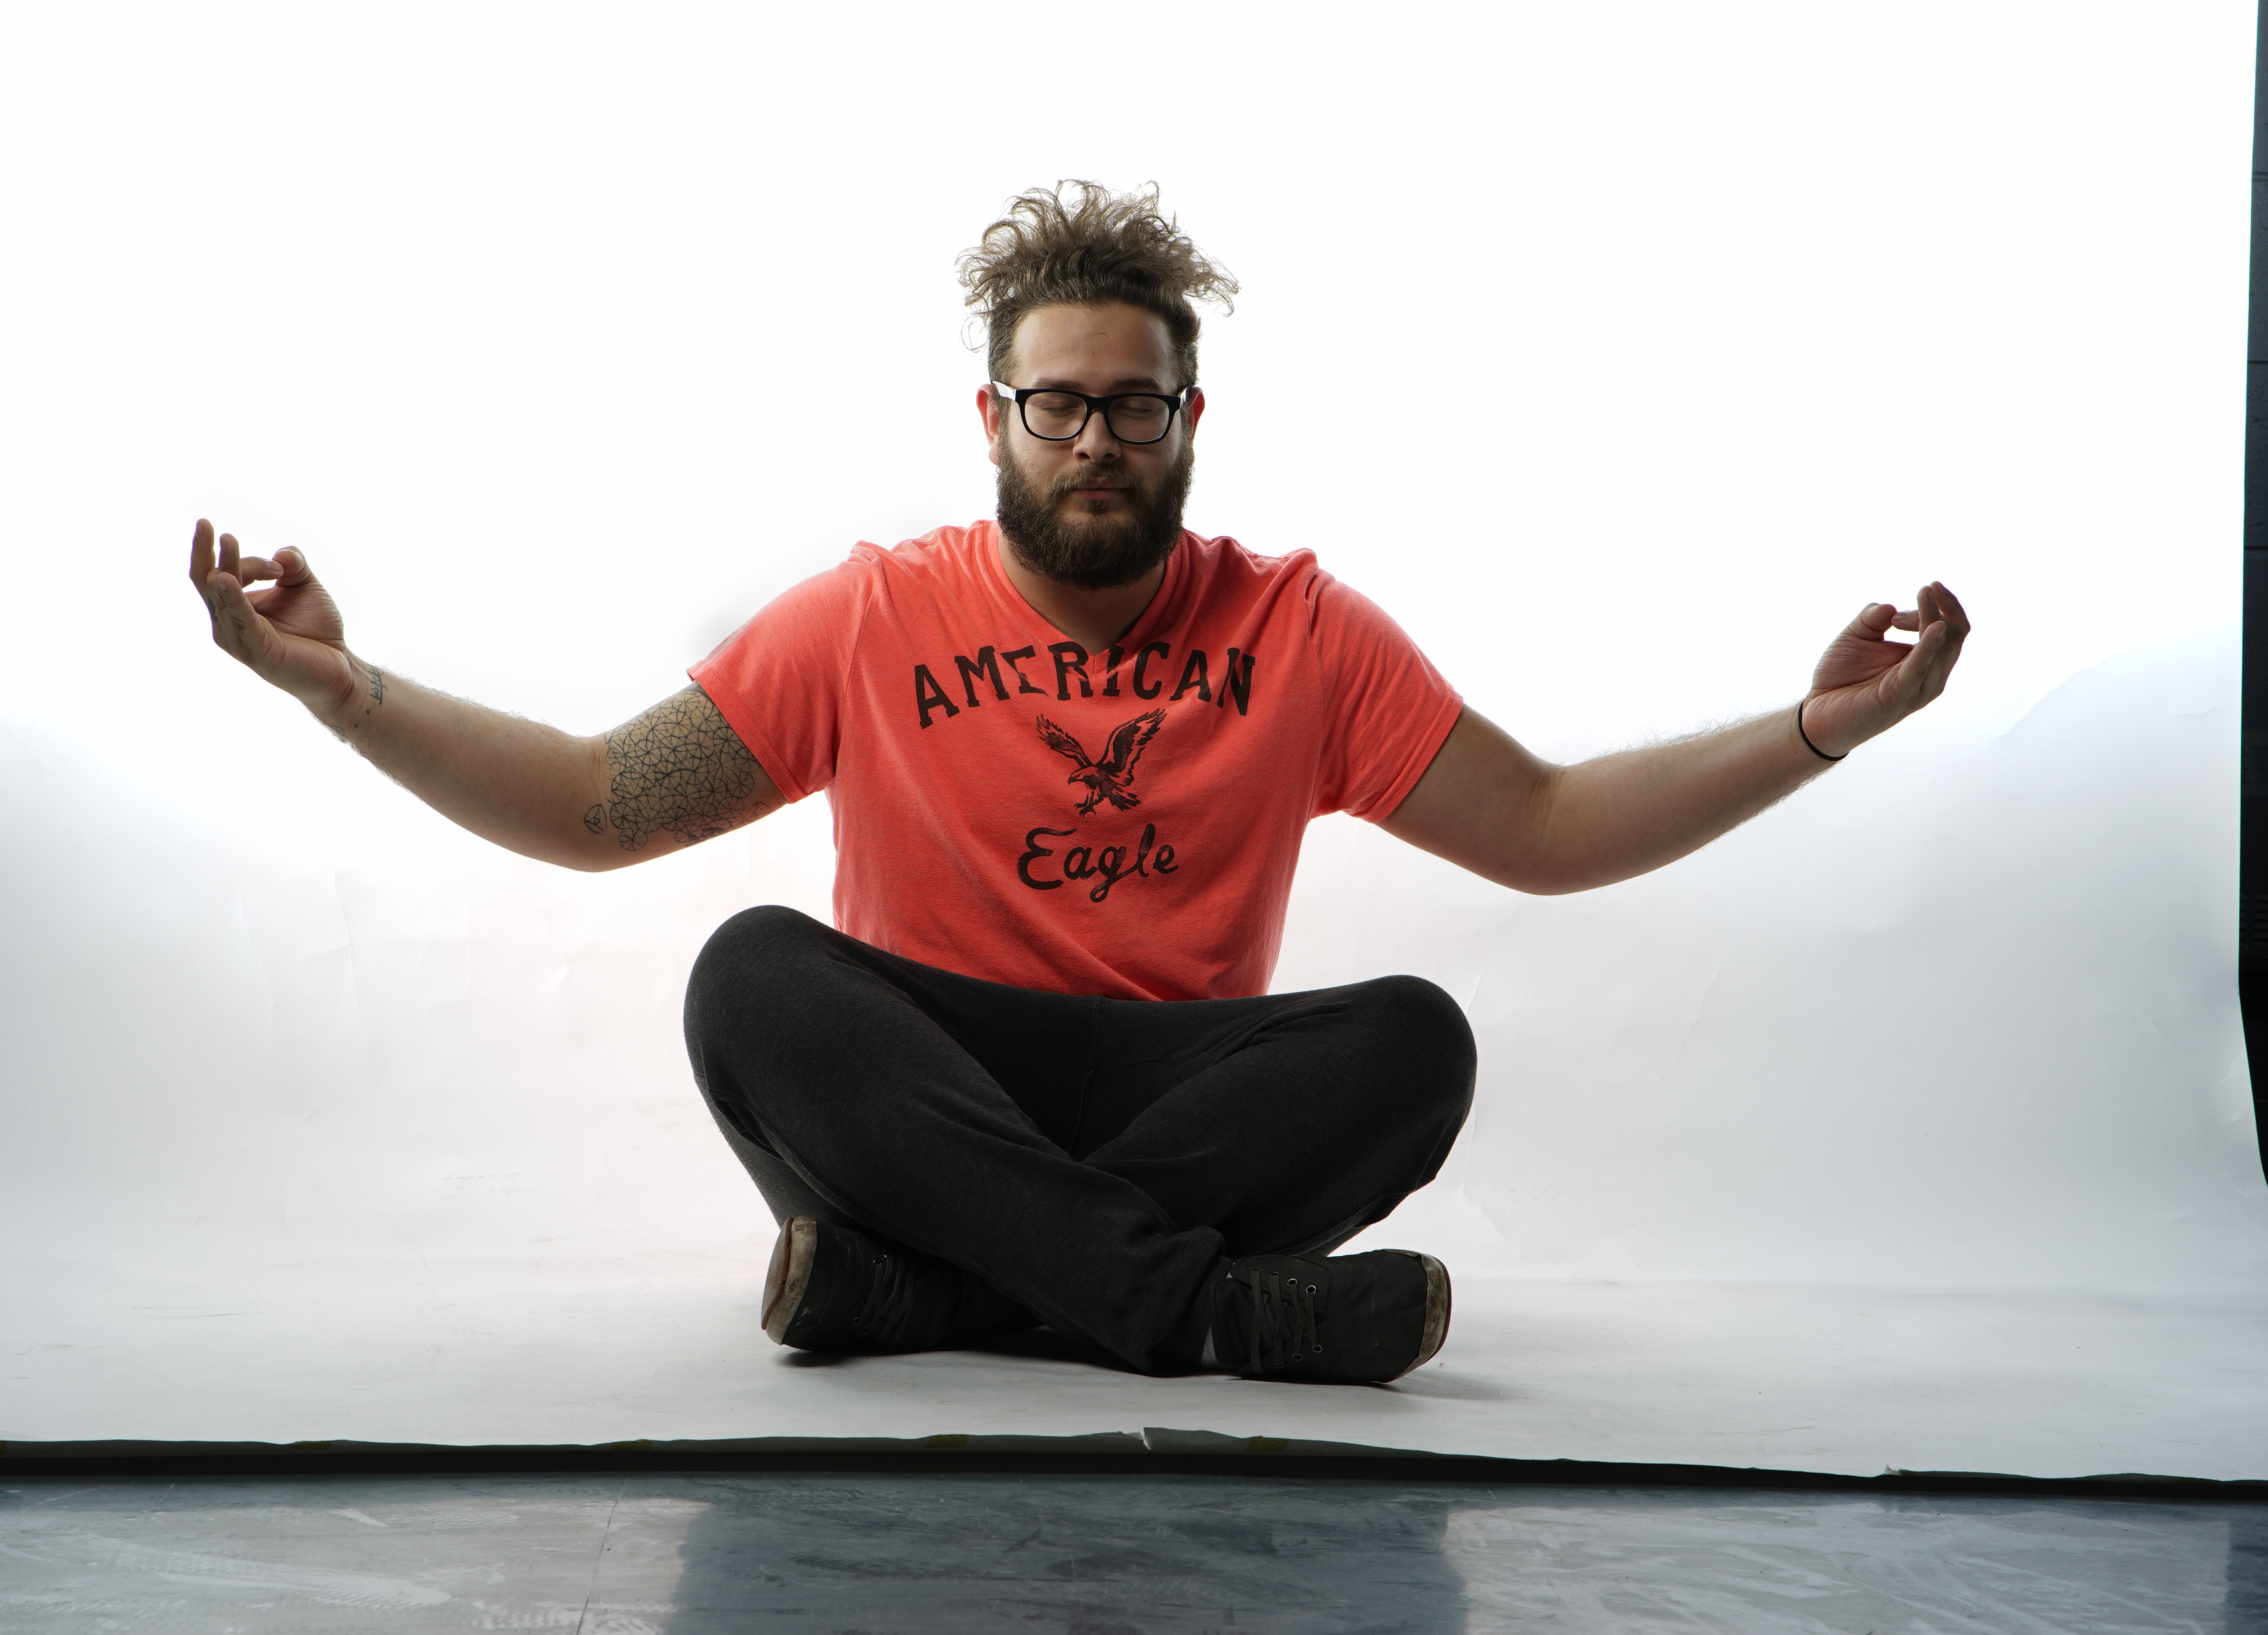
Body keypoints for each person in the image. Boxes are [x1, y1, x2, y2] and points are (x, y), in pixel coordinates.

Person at [187, 181, 1970, 1384]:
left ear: (1191, 420)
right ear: (993, 419)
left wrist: (1816, 730)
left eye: (1134, 405)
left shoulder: (1300, 630)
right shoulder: (870, 615)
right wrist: (343, 689)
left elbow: (1552, 830)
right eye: (1059, 405)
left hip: (1170, 1088)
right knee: (753, 974)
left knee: (1416, 1042)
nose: (1095, 440)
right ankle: (1197, 1314)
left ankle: (942, 1296)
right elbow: (597, 805)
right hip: (934, 1084)